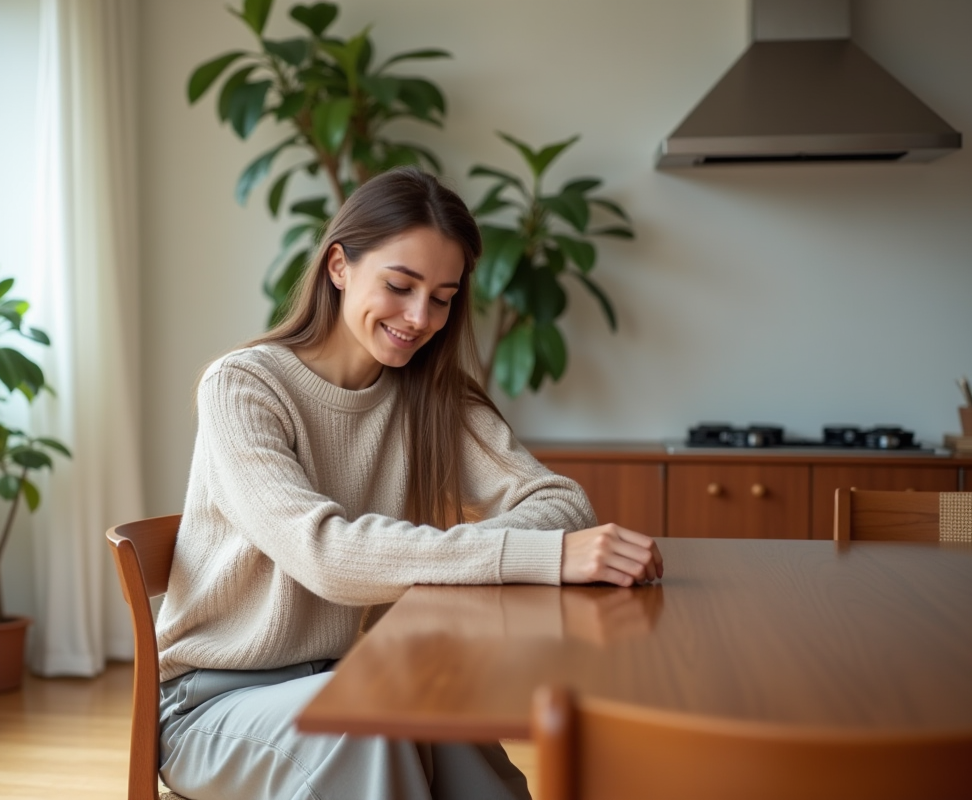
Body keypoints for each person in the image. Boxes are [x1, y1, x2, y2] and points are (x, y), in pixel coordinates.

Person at [156, 167, 663, 800]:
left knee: (453, 730)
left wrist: (497, 550)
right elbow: (326, 555)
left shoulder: (431, 398)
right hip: (212, 705)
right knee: (371, 722)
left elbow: (561, 503)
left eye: (444, 297)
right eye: (400, 285)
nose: (421, 317)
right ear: (339, 266)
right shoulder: (243, 387)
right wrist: (540, 555)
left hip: (355, 672)